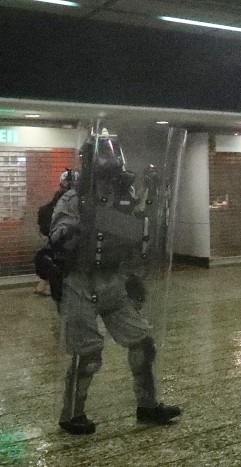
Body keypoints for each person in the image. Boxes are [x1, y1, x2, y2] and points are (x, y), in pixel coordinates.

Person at [48, 131, 181, 435]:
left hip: (112, 280)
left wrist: (148, 197)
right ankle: (72, 413)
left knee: (143, 343)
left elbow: (140, 229)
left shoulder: (125, 195)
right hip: (80, 281)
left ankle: (148, 405)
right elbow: (57, 237)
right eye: (103, 154)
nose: (110, 160)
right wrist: (82, 225)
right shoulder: (74, 198)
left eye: (113, 153)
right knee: (87, 355)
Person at [33, 169, 79, 297]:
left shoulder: (62, 195)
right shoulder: (69, 198)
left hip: (58, 234)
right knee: (57, 260)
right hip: (63, 235)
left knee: (53, 257)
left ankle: (42, 286)